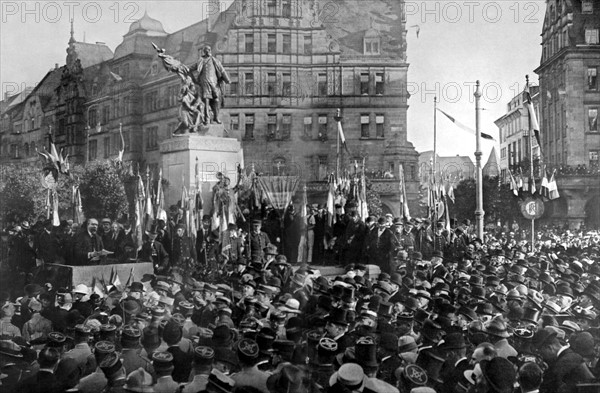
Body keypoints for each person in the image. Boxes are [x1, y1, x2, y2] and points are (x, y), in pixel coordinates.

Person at [195, 45, 230, 124]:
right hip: (204, 82)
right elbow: (194, 67)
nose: (208, 51)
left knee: (216, 100)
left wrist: (227, 79)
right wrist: (187, 68)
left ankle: (216, 117)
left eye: (209, 50)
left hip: (214, 83)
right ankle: (207, 118)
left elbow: (222, 70)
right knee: (206, 100)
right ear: (204, 51)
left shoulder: (215, 60)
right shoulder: (201, 60)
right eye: (207, 50)